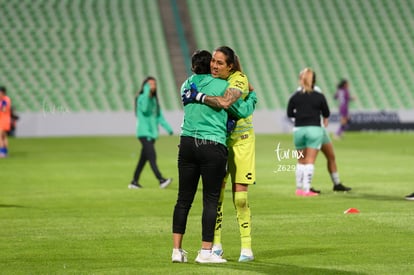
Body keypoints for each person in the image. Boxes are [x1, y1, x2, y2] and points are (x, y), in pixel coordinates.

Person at [172, 49, 257, 264]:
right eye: (213, 61)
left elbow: (233, 105)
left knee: (238, 198)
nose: (214, 66)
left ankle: (245, 247)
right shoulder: (214, 82)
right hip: (216, 142)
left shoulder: (237, 79)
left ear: (230, 66)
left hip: (240, 140)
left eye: (219, 63)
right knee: (213, 197)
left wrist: (198, 98)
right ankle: (213, 247)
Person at [297, 85, 352, 193]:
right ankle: (306, 187)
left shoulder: (314, 89)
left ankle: (337, 184)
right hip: (312, 129)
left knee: (331, 156)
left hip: (320, 129)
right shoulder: (304, 91)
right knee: (309, 159)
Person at [287, 68, 330, 196]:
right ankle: (307, 189)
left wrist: (300, 118)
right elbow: (326, 113)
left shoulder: (294, 97)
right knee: (310, 160)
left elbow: (289, 113)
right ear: (314, 81)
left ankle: (299, 188)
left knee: (301, 160)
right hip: (314, 129)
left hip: (299, 130)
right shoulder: (319, 96)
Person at [128, 77, 173, 189]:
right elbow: (145, 109)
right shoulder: (141, 98)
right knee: (152, 157)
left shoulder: (154, 100)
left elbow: (159, 116)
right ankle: (161, 179)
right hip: (144, 133)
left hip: (152, 134)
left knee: (143, 160)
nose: (153, 86)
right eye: (150, 84)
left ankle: (134, 182)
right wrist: (147, 92)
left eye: (154, 84)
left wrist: (168, 128)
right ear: (145, 86)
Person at [0, 86, 12, 158]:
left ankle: (1, 153)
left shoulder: (5, 100)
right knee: (4, 136)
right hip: (4, 119)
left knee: (0, 136)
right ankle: (5, 152)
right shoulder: (5, 99)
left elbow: (4, 110)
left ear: (3, 93)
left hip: (4, 120)